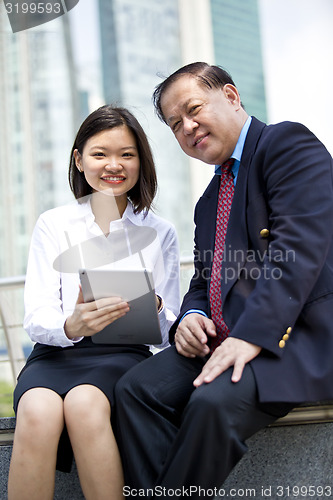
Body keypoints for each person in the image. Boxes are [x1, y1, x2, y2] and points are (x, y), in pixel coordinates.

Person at [115, 62, 333, 496]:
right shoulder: (209, 200)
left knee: (212, 403)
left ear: (231, 97)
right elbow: (203, 279)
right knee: (135, 390)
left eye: (194, 109)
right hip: (225, 336)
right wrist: (191, 317)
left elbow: (300, 249)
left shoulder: (286, 144)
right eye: (176, 125)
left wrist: (251, 334)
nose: (189, 127)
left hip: (294, 338)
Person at [7, 105, 180, 500]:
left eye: (127, 154)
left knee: (85, 403)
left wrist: (152, 305)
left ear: (141, 161)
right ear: (79, 160)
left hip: (124, 354)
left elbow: (171, 331)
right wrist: (72, 325)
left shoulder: (160, 231)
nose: (113, 165)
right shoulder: (54, 223)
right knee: (37, 409)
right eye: (100, 154)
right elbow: (36, 314)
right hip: (55, 353)